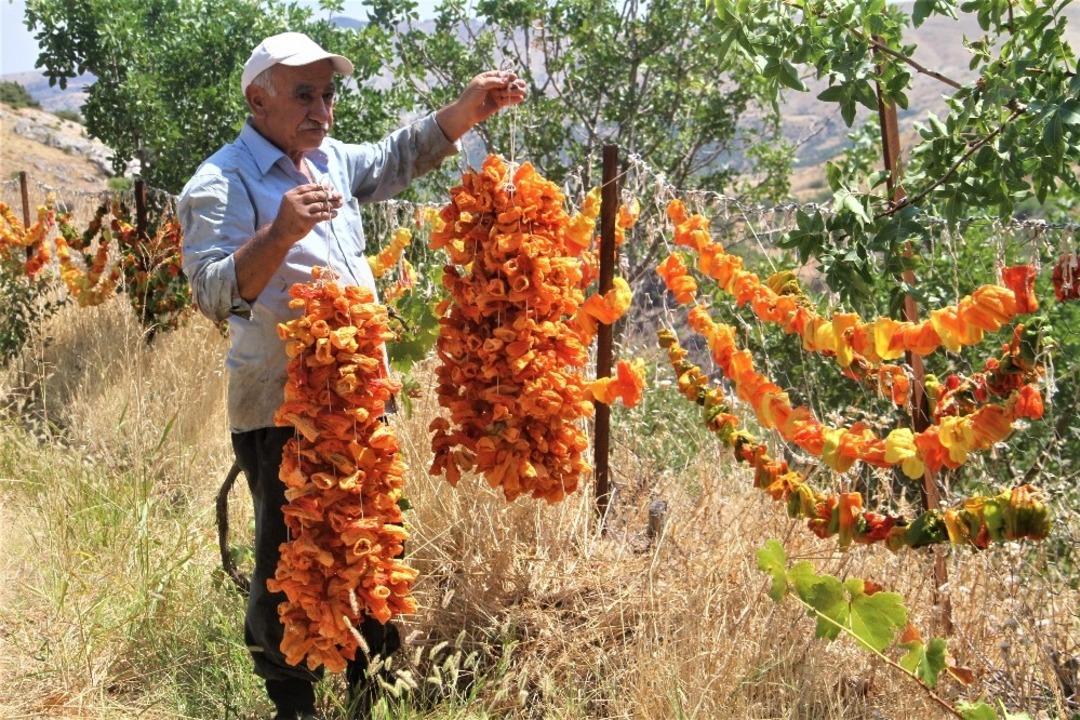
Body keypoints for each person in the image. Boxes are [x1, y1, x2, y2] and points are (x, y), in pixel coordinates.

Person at [178, 31, 526, 720]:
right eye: (304, 95)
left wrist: (465, 111)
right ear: (258, 99)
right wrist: (277, 235)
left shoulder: (330, 160)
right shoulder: (220, 182)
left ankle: (373, 692)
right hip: (283, 408)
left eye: (328, 94)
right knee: (295, 554)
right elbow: (211, 292)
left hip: (363, 403)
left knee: (372, 544)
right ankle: (292, 700)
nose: (322, 110)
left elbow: (396, 157)